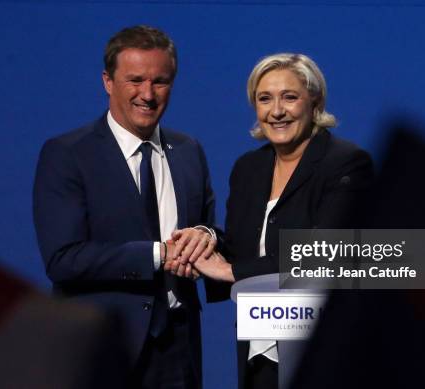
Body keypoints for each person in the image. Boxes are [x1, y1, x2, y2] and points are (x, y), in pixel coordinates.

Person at [33, 25, 216, 389]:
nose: (147, 94)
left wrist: (206, 236)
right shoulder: (68, 154)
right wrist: (157, 255)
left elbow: (210, 230)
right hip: (104, 349)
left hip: (180, 348)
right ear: (108, 81)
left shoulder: (189, 151)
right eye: (135, 80)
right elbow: (64, 260)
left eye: (160, 81)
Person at [192, 53, 374, 388]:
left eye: (289, 97)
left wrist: (232, 271)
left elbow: (325, 253)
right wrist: (202, 245)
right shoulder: (248, 169)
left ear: (314, 101)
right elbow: (240, 248)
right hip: (259, 346)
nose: (276, 111)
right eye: (265, 99)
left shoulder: (347, 164)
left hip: (322, 350)